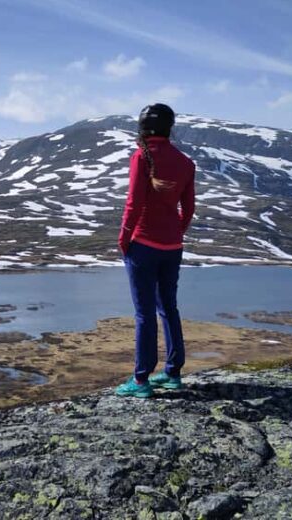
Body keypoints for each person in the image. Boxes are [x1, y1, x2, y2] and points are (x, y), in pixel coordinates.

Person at [115, 103, 195, 398]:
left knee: (144, 313)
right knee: (168, 308)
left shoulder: (141, 157)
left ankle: (140, 381)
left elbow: (134, 204)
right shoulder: (186, 162)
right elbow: (188, 209)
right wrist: (176, 233)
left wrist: (124, 238)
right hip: (173, 247)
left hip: (143, 246)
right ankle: (173, 373)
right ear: (169, 128)